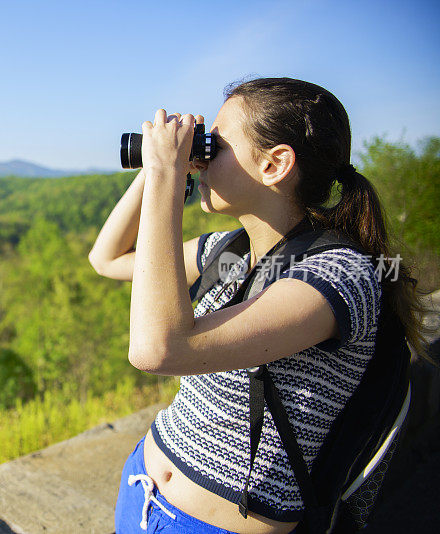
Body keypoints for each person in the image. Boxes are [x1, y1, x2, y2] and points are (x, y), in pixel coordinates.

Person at [88, 77, 425, 534]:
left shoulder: (340, 274)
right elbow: (108, 258)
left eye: (216, 145)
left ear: (274, 165)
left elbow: (158, 350)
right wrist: (156, 170)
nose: (202, 156)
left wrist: (169, 175)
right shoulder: (231, 251)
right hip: (142, 488)